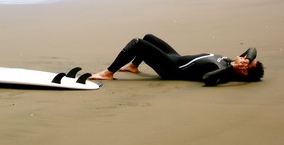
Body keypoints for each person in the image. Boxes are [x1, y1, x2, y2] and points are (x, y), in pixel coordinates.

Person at [89, 34, 264, 86]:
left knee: (137, 43)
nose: (243, 58)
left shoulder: (224, 73)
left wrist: (232, 67)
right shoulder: (232, 62)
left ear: (243, 71)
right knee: (148, 37)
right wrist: (248, 58)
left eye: (247, 63)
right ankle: (133, 66)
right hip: (177, 57)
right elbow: (252, 49)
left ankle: (108, 73)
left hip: (171, 68)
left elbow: (207, 79)